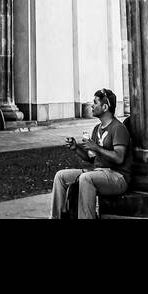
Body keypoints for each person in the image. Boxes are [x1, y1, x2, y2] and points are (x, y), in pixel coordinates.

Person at [50, 89, 132, 220]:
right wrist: (76, 148)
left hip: (118, 177)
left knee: (86, 178)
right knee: (61, 176)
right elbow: (90, 158)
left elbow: (119, 157)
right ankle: (56, 217)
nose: (92, 106)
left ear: (105, 107)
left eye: (95, 103)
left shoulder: (119, 128)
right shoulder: (96, 129)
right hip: (98, 172)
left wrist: (97, 147)